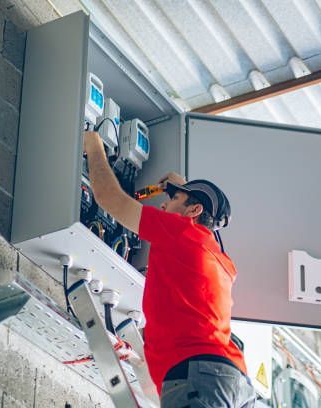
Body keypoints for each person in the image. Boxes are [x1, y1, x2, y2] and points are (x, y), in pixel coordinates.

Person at [83, 131, 256, 407]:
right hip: (232, 382)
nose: (163, 204)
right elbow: (202, 222)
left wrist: (93, 144)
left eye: (173, 200)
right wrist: (182, 189)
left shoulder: (180, 232)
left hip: (201, 376)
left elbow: (107, 197)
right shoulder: (221, 261)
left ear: (194, 210)